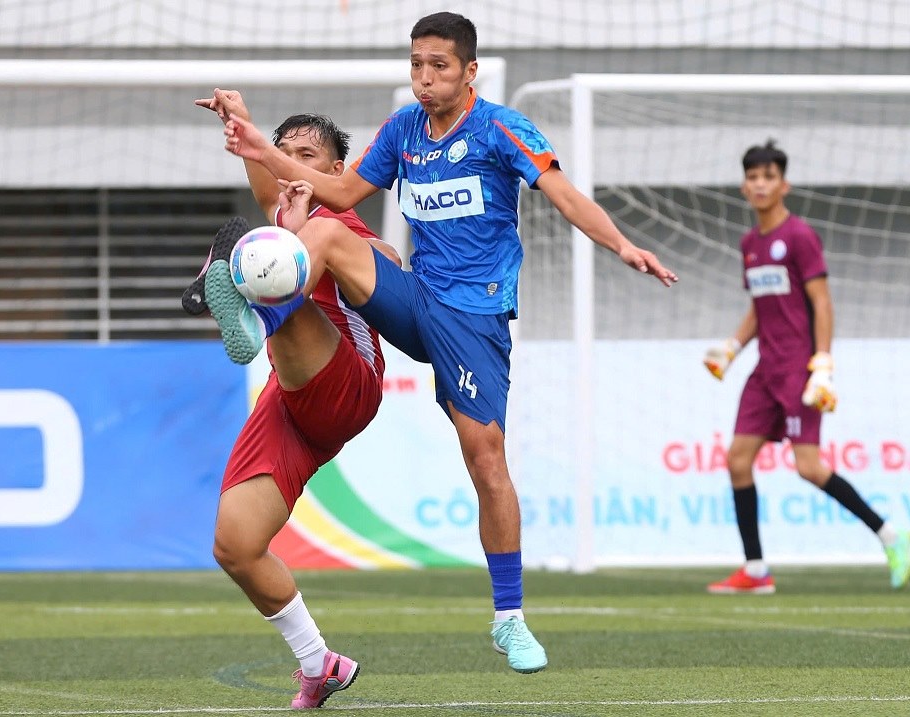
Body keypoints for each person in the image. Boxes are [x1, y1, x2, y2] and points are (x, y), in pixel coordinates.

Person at [202, 11, 678, 674]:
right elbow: (338, 191)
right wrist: (259, 144)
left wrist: (621, 243)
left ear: (469, 70)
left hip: (473, 319)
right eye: (417, 65)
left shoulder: (500, 127)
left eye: (440, 67)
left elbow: (564, 194)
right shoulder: (403, 131)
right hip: (414, 296)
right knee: (335, 234)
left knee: (485, 460)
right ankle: (263, 309)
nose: (425, 79)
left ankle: (509, 618)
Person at [183, 112, 402, 708]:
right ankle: (318, 661)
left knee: (270, 254)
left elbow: (389, 266)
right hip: (290, 398)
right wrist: (244, 128)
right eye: (284, 153)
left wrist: (369, 256)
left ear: (336, 172)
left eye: (307, 155)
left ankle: (253, 306)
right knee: (236, 545)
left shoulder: (339, 221)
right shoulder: (285, 218)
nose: (291, 164)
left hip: (346, 381)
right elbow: (266, 187)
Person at [703, 140, 910, 594]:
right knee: (738, 460)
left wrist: (823, 363)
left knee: (809, 467)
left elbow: (821, 302)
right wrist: (732, 347)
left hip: (799, 369)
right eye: (753, 177)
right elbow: (761, 306)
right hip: (764, 370)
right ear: (744, 186)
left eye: (769, 177)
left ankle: (890, 535)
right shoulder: (750, 243)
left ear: (784, 184)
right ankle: (756, 571)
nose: (760, 184)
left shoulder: (798, 236)